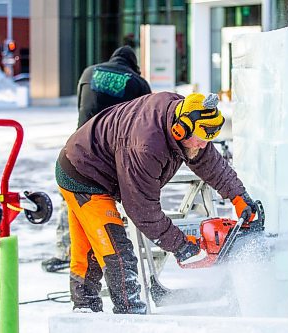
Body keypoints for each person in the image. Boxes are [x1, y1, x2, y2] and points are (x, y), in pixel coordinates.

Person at [54, 92, 258, 314]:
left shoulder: (189, 115)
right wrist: (180, 245)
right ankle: (131, 317)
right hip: (83, 175)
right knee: (116, 252)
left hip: (93, 164)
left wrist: (238, 197)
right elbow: (142, 211)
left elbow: (210, 162)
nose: (202, 145)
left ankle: (84, 310)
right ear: (180, 129)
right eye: (199, 139)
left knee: (91, 246)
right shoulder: (146, 145)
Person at [42, 45, 151, 273]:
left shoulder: (89, 72)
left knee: (72, 200)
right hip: (112, 152)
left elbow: (83, 107)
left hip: (78, 148)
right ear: (134, 65)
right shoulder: (137, 83)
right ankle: (110, 251)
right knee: (108, 201)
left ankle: (67, 252)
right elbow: (145, 122)